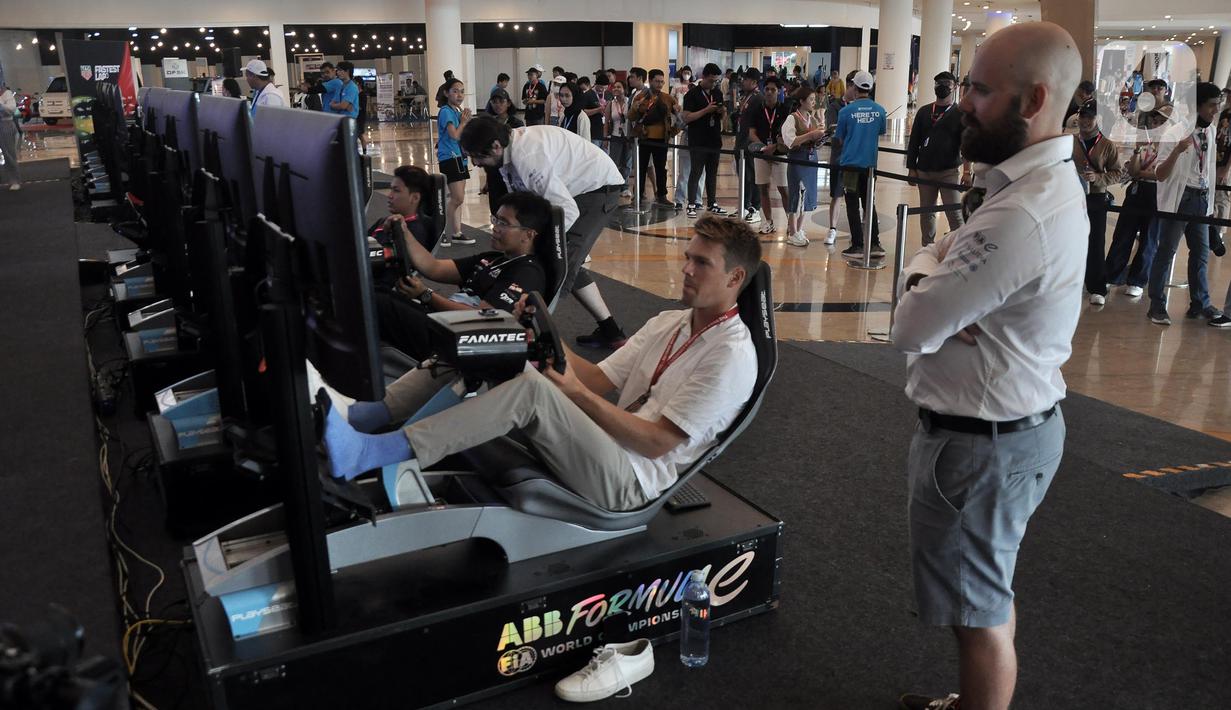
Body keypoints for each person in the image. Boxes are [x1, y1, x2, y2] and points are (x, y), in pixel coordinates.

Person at [891, 22, 1086, 710]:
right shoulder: (1030, 187)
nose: (961, 102)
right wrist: (942, 267)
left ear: (1032, 99)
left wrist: (926, 265)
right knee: (986, 596)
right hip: (1006, 433)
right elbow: (944, 272)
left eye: (978, 89)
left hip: (982, 450)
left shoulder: (1020, 214)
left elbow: (909, 326)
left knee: (976, 619)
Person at [322, 216, 760, 517]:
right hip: (604, 446)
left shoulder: (731, 355)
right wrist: (536, 332)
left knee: (531, 392)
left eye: (701, 263)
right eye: (687, 256)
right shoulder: (672, 321)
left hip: (632, 481)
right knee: (492, 346)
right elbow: (599, 378)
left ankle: (369, 452)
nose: (685, 269)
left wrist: (571, 392)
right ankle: (368, 415)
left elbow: (656, 443)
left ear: (735, 278)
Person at [461, 117, 631, 348]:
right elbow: (522, 204)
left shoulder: (529, 158)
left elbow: (567, 212)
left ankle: (534, 341)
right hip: (576, 191)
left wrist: (540, 245)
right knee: (567, 261)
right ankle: (612, 332)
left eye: (478, 156)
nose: (476, 163)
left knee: (556, 266)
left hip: (597, 190)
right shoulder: (507, 152)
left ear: (496, 146)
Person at [374, 191, 550, 360]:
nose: (495, 227)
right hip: (442, 323)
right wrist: (404, 232)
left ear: (529, 234)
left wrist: (426, 295)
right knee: (376, 291)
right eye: (495, 220)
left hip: (460, 340)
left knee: (378, 303)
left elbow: (484, 319)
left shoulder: (527, 272)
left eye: (503, 223)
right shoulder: (492, 259)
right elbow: (433, 267)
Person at [1145, 82, 1224, 326]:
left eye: (1217, 106)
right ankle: (1156, 304)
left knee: (1200, 253)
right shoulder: (1173, 133)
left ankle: (1200, 303)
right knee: (1166, 252)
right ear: (1198, 106)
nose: (1215, 111)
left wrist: (1209, 204)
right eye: (1211, 106)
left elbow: (1208, 169)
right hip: (1180, 200)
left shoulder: (1209, 132)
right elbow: (1160, 174)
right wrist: (1177, 151)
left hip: (1200, 198)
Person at [1104, 106, 1168, 297]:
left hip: (1157, 193)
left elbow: (1162, 175)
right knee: (1124, 233)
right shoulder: (1145, 143)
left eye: (1162, 122)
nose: (1157, 125)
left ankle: (1138, 280)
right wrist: (1138, 151)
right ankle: (1111, 275)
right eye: (1155, 122)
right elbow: (1133, 171)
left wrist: (1142, 173)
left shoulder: (1172, 147)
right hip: (1136, 190)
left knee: (1149, 237)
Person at [906, 71, 967, 246]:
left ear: (954, 87)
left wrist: (967, 171)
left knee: (954, 213)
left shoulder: (959, 113)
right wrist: (912, 168)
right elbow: (914, 141)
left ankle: (959, 248)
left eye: (946, 83)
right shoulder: (925, 111)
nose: (942, 86)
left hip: (948, 172)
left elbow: (966, 144)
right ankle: (927, 247)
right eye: (938, 83)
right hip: (925, 172)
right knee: (927, 213)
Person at [1072, 99, 1124, 306]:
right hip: (1072, 197)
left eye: (1090, 117)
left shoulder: (1107, 145)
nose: (1085, 121)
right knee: (1070, 240)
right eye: (1082, 116)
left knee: (1095, 242)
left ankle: (1096, 287)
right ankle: (1071, 282)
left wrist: (1098, 179)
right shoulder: (1070, 141)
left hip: (1095, 198)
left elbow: (1118, 172)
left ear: (1098, 119)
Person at [834, 70, 886, 257]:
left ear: (854, 88)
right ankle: (875, 244)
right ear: (870, 88)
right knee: (868, 204)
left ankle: (857, 244)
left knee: (852, 205)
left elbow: (839, 138)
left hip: (850, 165)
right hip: (870, 165)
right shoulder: (880, 110)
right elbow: (881, 131)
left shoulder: (845, 111)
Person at [368, 164, 435, 293]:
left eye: (396, 190)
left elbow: (390, 277)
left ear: (414, 197)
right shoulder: (383, 222)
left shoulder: (415, 233)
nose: (390, 195)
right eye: (391, 189)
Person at [781, 85, 828, 247]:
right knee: (796, 194)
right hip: (798, 160)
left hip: (811, 160)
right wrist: (810, 135)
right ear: (801, 101)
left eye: (815, 99)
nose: (814, 102)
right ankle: (792, 231)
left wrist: (821, 138)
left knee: (807, 195)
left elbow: (815, 143)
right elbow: (790, 141)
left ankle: (799, 229)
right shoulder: (792, 118)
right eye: (811, 99)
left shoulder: (813, 119)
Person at [681, 63, 728, 218]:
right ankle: (692, 204)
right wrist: (705, 110)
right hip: (698, 139)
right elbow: (686, 117)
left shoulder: (717, 93)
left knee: (712, 172)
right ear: (703, 77)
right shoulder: (692, 94)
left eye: (716, 81)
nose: (713, 83)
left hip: (714, 138)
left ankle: (712, 203)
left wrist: (722, 112)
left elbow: (722, 117)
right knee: (696, 171)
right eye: (711, 80)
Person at [747, 75, 790, 238]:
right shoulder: (757, 109)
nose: (770, 92)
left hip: (780, 154)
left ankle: (790, 222)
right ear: (763, 90)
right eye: (767, 89)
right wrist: (763, 147)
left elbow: (787, 134)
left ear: (779, 91)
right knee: (763, 188)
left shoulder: (785, 109)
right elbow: (751, 133)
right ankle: (769, 222)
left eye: (773, 89)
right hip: (761, 154)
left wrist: (775, 147)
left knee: (783, 189)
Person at [629, 69, 678, 208]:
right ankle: (637, 195)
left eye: (662, 81)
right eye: (657, 81)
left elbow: (679, 117)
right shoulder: (640, 97)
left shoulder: (668, 98)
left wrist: (673, 131)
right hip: (643, 137)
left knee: (661, 169)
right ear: (649, 81)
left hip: (661, 138)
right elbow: (631, 117)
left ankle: (662, 195)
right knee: (641, 168)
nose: (660, 84)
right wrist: (635, 108)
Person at [436, 77, 474, 246]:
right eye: (455, 91)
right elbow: (455, 135)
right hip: (450, 157)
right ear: (446, 93)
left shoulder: (457, 111)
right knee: (456, 198)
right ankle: (440, 229)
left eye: (462, 91)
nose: (459, 95)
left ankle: (457, 233)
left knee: (459, 198)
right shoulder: (446, 111)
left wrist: (467, 121)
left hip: (460, 158)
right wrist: (464, 122)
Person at [823, 72, 855, 244]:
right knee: (836, 195)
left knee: (856, 195)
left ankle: (858, 228)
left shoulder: (863, 106)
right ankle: (832, 229)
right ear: (849, 86)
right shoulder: (835, 106)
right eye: (855, 86)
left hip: (857, 159)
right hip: (839, 157)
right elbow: (832, 130)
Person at [482, 89, 526, 215]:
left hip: (511, 171)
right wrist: (486, 181)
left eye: (501, 101)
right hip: (494, 174)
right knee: (495, 207)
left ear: (508, 103)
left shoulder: (516, 123)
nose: (498, 105)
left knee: (512, 207)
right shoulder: (489, 123)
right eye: (494, 102)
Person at [735, 69, 764, 223]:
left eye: (745, 79)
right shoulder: (746, 96)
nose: (742, 82)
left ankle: (755, 207)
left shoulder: (758, 98)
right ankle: (744, 205)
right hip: (740, 141)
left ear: (753, 81)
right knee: (744, 176)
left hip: (750, 143)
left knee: (753, 177)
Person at [672, 67, 695, 210]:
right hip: (687, 138)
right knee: (685, 171)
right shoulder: (676, 88)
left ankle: (696, 200)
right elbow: (680, 122)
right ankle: (680, 198)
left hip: (700, 140)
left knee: (699, 172)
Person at [604, 80, 632, 194]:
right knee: (615, 162)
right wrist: (605, 138)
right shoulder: (611, 104)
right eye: (614, 87)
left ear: (624, 90)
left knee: (627, 163)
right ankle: (614, 186)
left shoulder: (629, 102)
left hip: (628, 136)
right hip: (615, 136)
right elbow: (606, 122)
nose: (616, 89)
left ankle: (625, 187)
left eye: (619, 87)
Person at [0, 82, 21, 191]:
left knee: (9, 154)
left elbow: (12, 109)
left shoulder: (7, 94)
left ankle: (15, 180)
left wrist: (1, 105)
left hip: (5, 125)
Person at [577, 76, 605, 147]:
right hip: (593, 131)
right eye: (582, 90)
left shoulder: (607, 94)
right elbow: (582, 112)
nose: (603, 89)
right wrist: (598, 110)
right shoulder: (587, 95)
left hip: (603, 132)